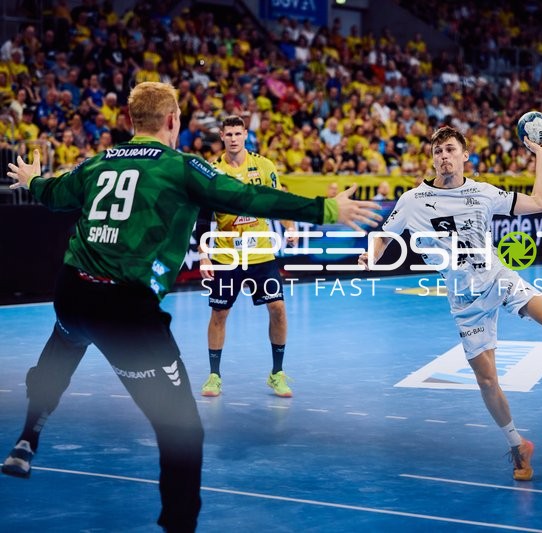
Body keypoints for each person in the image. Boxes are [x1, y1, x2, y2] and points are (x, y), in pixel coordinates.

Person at [2, 82, 380, 532]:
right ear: (172, 122)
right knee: (182, 431)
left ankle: (27, 438)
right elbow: (245, 197)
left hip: (71, 291)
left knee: (64, 345)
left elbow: (52, 193)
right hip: (126, 311)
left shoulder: (99, 162)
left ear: (130, 121)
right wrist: (325, 209)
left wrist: (32, 180)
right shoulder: (181, 167)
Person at [359, 126, 542, 482]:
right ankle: (518, 445)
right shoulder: (412, 201)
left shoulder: (485, 193)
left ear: (464, 156)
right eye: (438, 150)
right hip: (464, 300)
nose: (444, 156)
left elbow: (541, 203)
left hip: (498, 279)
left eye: (450, 149)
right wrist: (371, 255)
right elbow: (382, 237)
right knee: (487, 381)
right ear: (432, 158)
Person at [196, 116, 298, 398]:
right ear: (221, 136)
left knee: (277, 308)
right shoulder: (211, 172)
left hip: (260, 252)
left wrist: (290, 227)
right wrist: (204, 256)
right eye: (228, 134)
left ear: (245, 135)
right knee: (219, 313)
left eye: (237, 133)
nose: (233, 138)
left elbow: (279, 201)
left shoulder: (264, 166)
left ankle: (277, 373)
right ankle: (214, 376)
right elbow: (203, 220)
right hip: (226, 255)